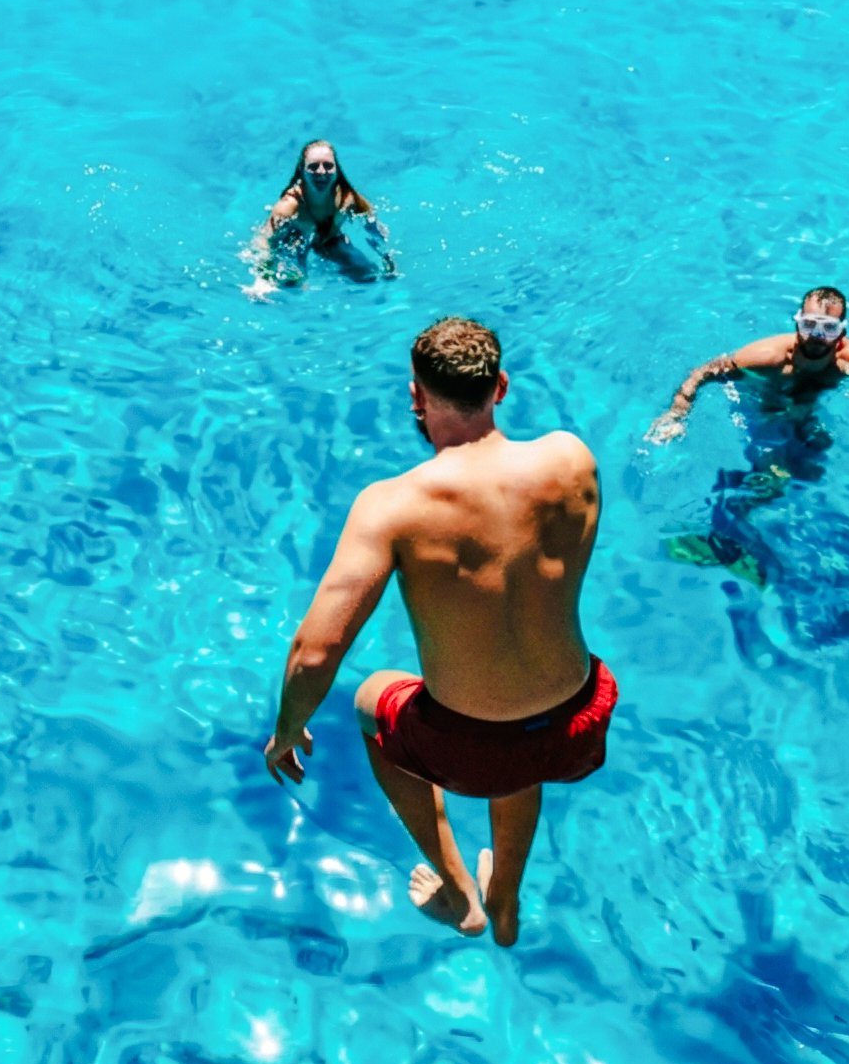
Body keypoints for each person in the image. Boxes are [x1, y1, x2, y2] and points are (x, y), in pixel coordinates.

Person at [261, 317, 613, 946]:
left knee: (375, 698)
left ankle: (461, 895)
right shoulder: (572, 458)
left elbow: (315, 652)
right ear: (500, 387)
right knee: (521, 733)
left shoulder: (394, 506)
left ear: (416, 398)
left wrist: (287, 729)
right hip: (578, 719)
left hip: (472, 747)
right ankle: (505, 897)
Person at [648, 285, 849, 446]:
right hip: (763, 408)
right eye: (809, 325)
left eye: (828, 328)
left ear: (842, 332)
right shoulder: (766, 356)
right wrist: (676, 414)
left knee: (814, 464)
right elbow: (704, 372)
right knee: (772, 476)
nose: (816, 336)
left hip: (806, 412)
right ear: (797, 324)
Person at [245, 139, 394, 292]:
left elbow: (373, 227)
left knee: (368, 275)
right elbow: (264, 241)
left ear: (337, 171)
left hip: (330, 240)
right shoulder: (289, 207)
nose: (321, 172)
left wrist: (387, 259)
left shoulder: (347, 199)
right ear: (302, 171)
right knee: (293, 283)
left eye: (328, 166)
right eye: (313, 167)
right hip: (295, 242)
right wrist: (261, 278)